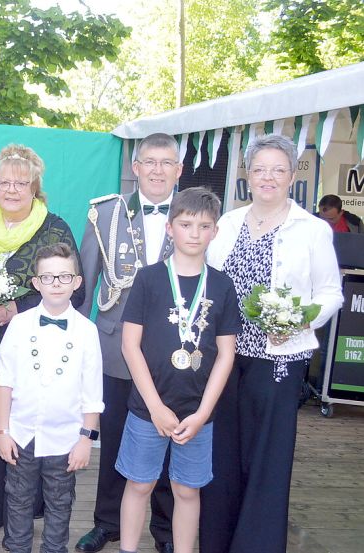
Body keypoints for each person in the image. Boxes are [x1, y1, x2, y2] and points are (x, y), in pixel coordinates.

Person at [201, 134, 343, 553]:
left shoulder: (313, 230)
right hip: (225, 358)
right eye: (260, 169)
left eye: (278, 169)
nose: (268, 177)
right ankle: (217, 542)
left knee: (266, 458)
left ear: (292, 174)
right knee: (221, 455)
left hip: (279, 359)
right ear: (247, 173)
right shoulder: (226, 223)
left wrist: (300, 320)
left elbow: (331, 293)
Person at [0, 144, 82, 537]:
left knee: (31, 427)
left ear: (35, 188)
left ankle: (29, 512)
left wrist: (19, 308)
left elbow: (73, 289)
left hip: (38, 350)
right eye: (5, 182)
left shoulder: (54, 228)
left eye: (21, 183)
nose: (12, 190)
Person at [117, 188, 240, 553]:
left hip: (197, 412)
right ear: (171, 228)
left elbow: (226, 354)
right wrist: (155, 406)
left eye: (204, 226)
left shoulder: (222, 284)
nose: (194, 233)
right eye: (186, 224)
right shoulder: (149, 279)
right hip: (147, 408)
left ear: (215, 231)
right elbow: (129, 345)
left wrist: (203, 413)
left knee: (188, 489)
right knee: (139, 484)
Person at [76, 132, 179, 553]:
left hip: (176, 354)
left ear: (178, 170)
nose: (157, 170)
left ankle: (167, 530)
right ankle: (107, 521)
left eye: (165, 162)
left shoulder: (198, 216)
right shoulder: (105, 215)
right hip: (116, 348)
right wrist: (76, 346)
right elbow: (85, 284)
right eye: (149, 162)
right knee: (115, 438)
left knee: (172, 440)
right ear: (135, 168)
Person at [0, 243, 103, 553]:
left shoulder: (87, 331)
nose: (56, 284)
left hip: (66, 437)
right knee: (17, 497)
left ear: (77, 282)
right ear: (36, 283)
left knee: (60, 500)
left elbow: (93, 392)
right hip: (21, 433)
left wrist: (86, 439)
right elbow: (4, 381)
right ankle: (17, 547)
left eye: (64, 277)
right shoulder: (19, 325)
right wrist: (3, 431)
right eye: (48, 277)